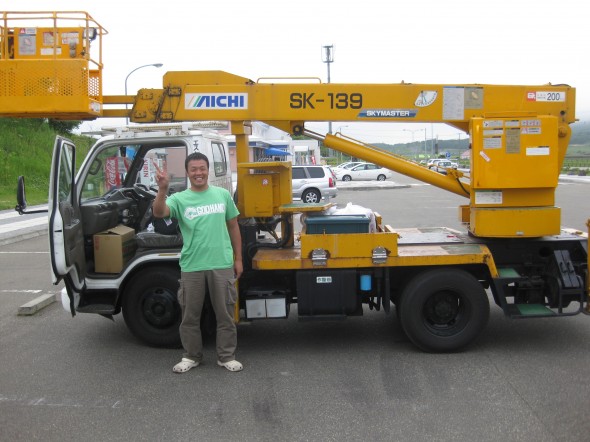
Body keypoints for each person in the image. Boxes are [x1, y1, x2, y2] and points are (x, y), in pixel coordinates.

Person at [153, 152, 243, 373]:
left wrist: (238, 258)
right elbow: (159, 213)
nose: (198, 173)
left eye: (202, 168)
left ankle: (226, 356)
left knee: (225, 315)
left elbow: (233, 226)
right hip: (192, 265)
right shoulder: (179, 198)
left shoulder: (222, 195)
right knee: (190, 316)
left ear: (208, 170)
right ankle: (192, 356)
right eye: (193, 169)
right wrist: (162, 189)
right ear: (187, 172)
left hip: (221, 263)